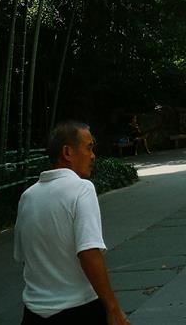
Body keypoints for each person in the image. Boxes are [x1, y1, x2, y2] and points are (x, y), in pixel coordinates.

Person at [13, 120, 131, 325]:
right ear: (67, 152)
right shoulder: (82, 189)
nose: (93, 156)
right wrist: (114, 309)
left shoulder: (28, 196)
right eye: (88, 148)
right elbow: (89, 253)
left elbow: (24, 256)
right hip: (79, 311)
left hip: (33, 314)